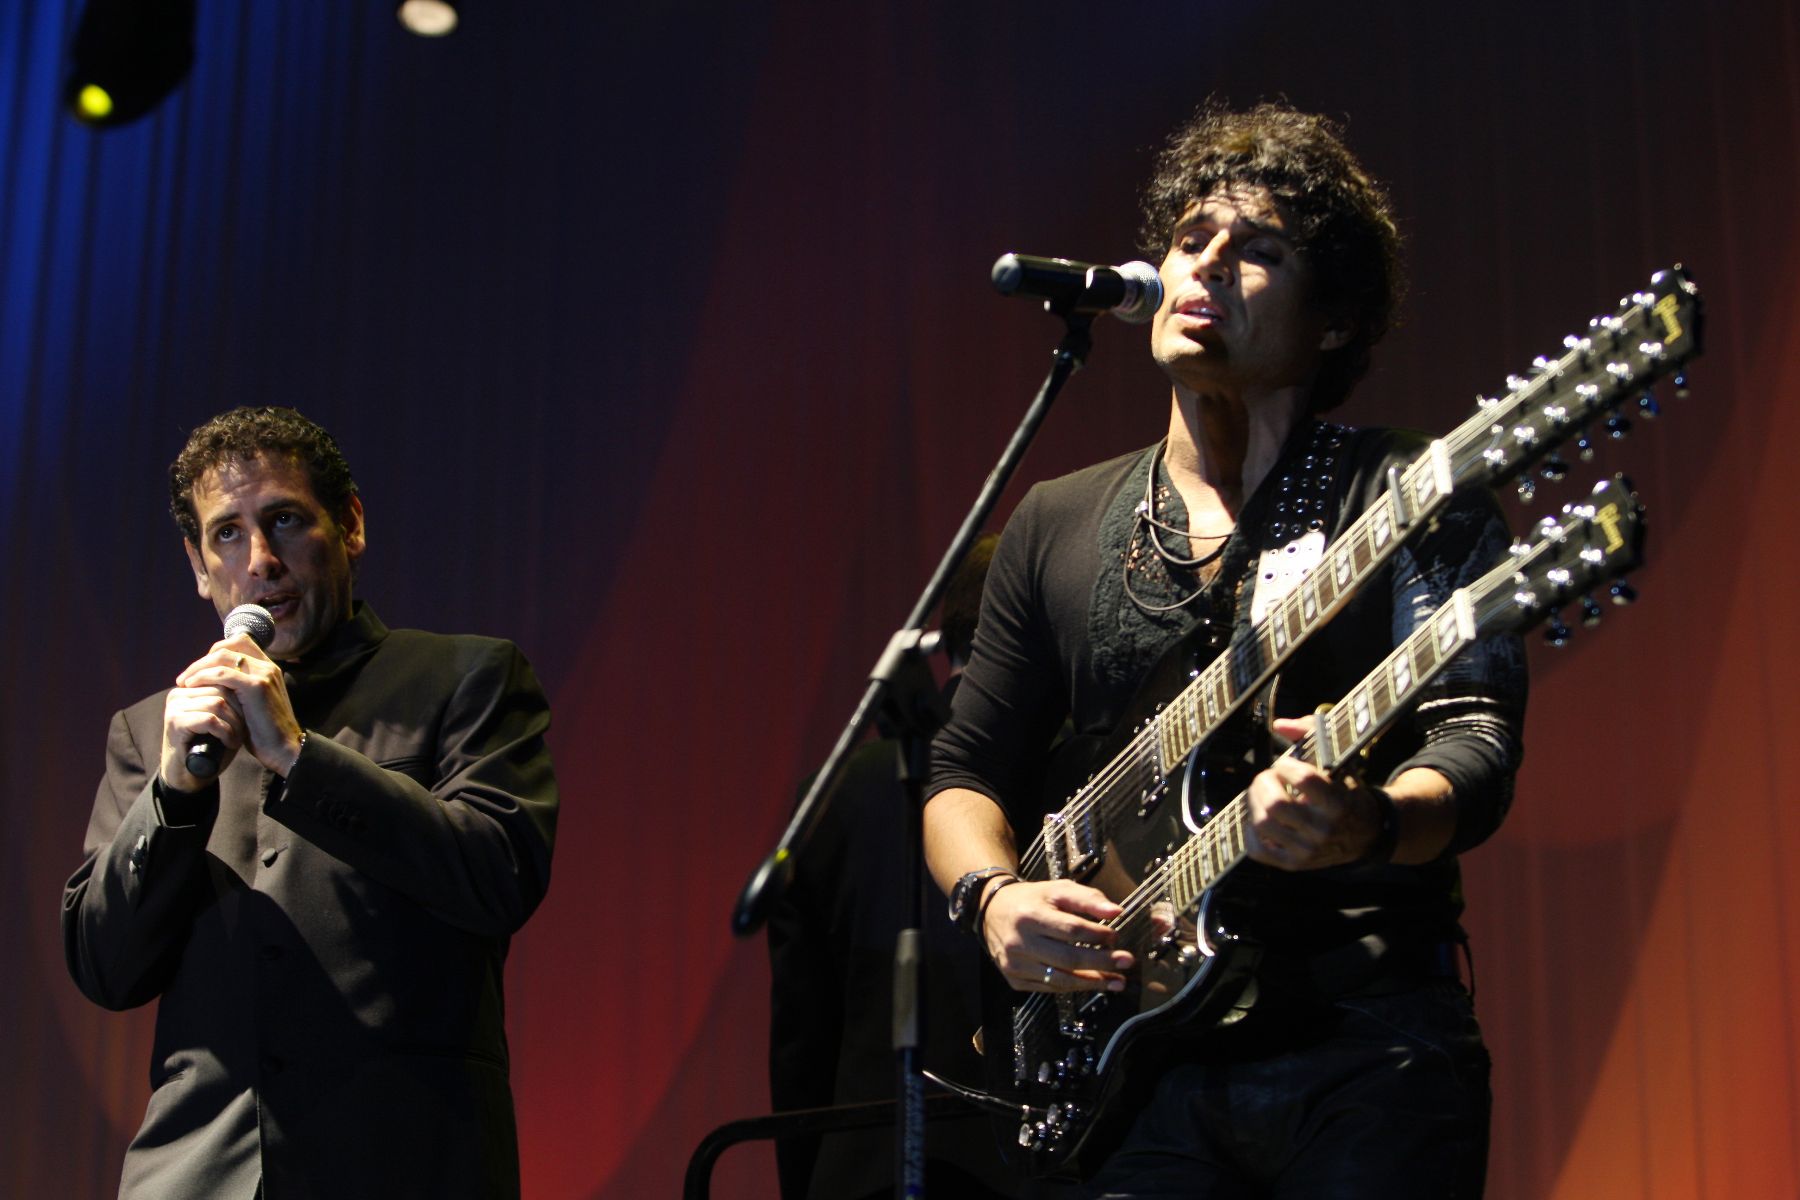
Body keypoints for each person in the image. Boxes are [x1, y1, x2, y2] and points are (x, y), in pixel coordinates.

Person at [925, 102, 1527, 1198]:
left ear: (1334, 320)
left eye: (1260, 252)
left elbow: (1473, 735)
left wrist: (1375, 822)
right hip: (1131, 1074)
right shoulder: (1058, 520)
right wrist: (994, 900)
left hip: (1366, 1044)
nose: (1207, 267)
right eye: (1193, 237)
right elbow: (964, 776)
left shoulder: (1404, 488)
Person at [62, 407, 558, 1199]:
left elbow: (498, 876)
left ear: (350, 524)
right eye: (226, 533)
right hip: (196, 1178)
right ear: (197, 564)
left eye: (285, 520)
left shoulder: (466, 680)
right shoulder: (153, 728)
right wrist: (173, 795)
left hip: (406, 1168)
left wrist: (299, 756)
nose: (260, 560)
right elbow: (105, 969)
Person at [767, 532, 1018, 1200]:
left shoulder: (833, 792)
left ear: (947, 639)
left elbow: (802, 1034)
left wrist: (806, 1180)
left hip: (859, 1170)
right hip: (1034, 1168)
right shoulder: (1075, 766)